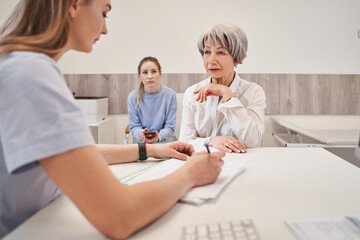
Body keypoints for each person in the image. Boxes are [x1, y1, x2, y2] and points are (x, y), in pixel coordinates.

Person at [0, 0, 225, 239]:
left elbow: (74, 154)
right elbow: (119, 216)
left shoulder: (19, 65)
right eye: (104, 13)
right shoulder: (31, 75)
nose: (105, 29)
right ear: (75, 5)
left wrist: (151, 149)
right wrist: (191, 173)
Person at [179, 24, 266, 153]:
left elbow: (252, 140)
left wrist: (227, 95)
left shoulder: (253, 92)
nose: (211, 61)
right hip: (202, 164)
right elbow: (184, 141)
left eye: (220, 52)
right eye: (207, 52)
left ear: (237, 59)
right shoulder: (192, 93)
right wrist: (211, 141)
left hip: (243, 162)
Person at [127, 56, 177, 143]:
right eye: (145, 72)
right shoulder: (132, 97)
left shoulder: (170, 95)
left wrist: (158, 137)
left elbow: (169, 127)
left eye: (154, 71)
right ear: (139, 75)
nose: (150, 76)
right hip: (141, 140)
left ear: (160, 73)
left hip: (165, 140)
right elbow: (134, 127)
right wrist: (141, 134)